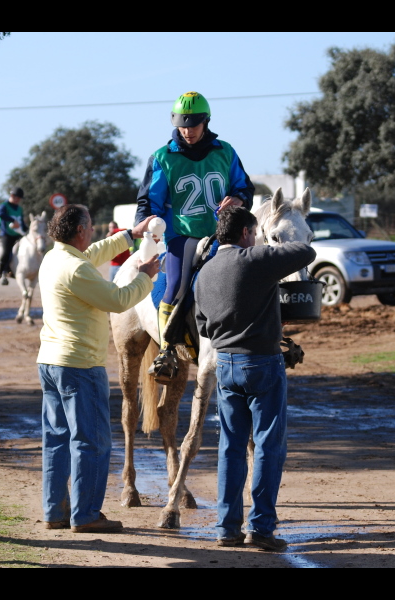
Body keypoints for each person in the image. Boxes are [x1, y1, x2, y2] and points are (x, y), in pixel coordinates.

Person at [194, 206, 315, 550]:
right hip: (262, 363)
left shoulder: (205, 271)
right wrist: (275, 243)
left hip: (225, 365)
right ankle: (260, 529)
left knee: (230, 448)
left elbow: (203, 325)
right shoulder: (255, 259)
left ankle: (226, 529)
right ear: (248, 233)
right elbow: (307, 251)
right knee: (267, 446)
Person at [37, 205, 159, 533]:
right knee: (92, 442)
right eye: (90, 226)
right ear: (79, 230)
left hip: (50, 362)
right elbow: (119, 300)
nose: (93, 232)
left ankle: (55, 511)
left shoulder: (55, 258)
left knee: (57, 439)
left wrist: (129, 236)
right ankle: (86, 514)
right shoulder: (77, 271)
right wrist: (146, 276)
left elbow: (93, 252)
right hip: (80, 366)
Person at [135, 91, 256, 382]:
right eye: (182, 125)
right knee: (175, 286)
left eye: (193, 125)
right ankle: (165, 351)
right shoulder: (162, 157)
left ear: (206, 122)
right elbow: (147, 202)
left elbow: (245, 188)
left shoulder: (225, 151)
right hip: (182, 236)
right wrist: (147, 221)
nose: (187, 131)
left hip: (222, 236)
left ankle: (267, 339)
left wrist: (238, 199)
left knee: (250, 280)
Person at [0, 186, 26, 286]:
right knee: (6, 251)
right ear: (12, 196)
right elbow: (0, 214)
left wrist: (27, 229)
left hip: (17, 234)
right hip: (6, 234)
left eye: (19, 199)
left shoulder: (19, 208)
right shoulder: (4, 205)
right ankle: (0, 273)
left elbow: (21, 222)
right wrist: (12, 220)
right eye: (17, 198)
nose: (18, 200)